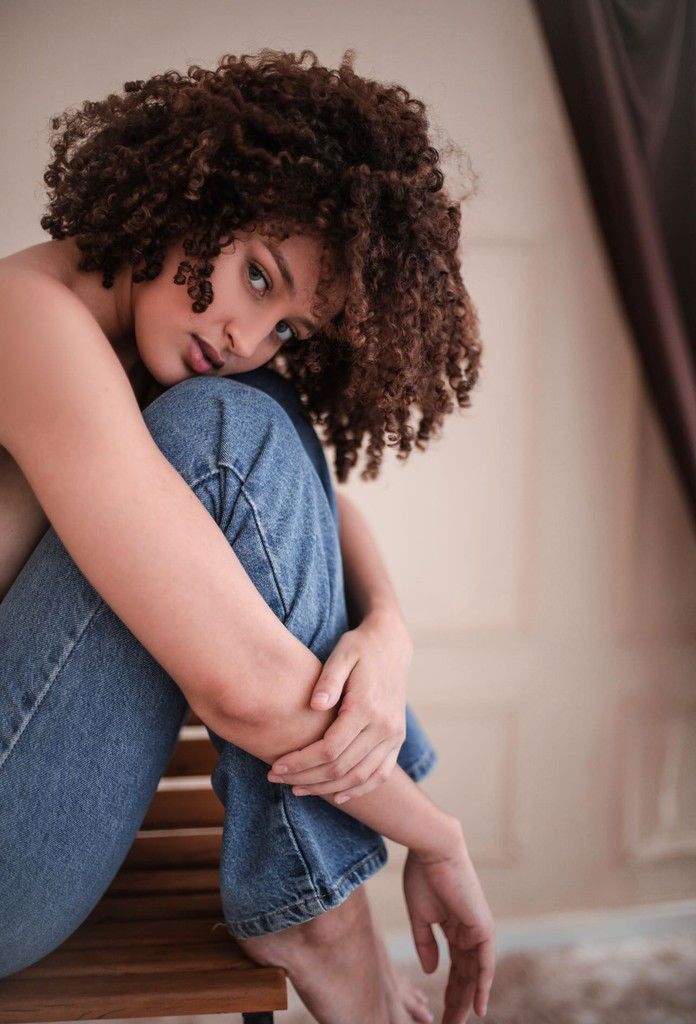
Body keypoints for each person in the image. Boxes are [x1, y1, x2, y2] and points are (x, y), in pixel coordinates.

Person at [0, 48, 495, 1023]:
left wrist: (387, 629)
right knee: (229, 424)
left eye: (290, 327)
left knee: (255, 410)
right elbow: (244, 690)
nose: (247, 335)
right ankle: (318, 915)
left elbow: (328, 508)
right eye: (257, 276)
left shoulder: (143, 348)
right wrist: (435, 833)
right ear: (196, 191)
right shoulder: (25, 321)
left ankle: (314, 903)